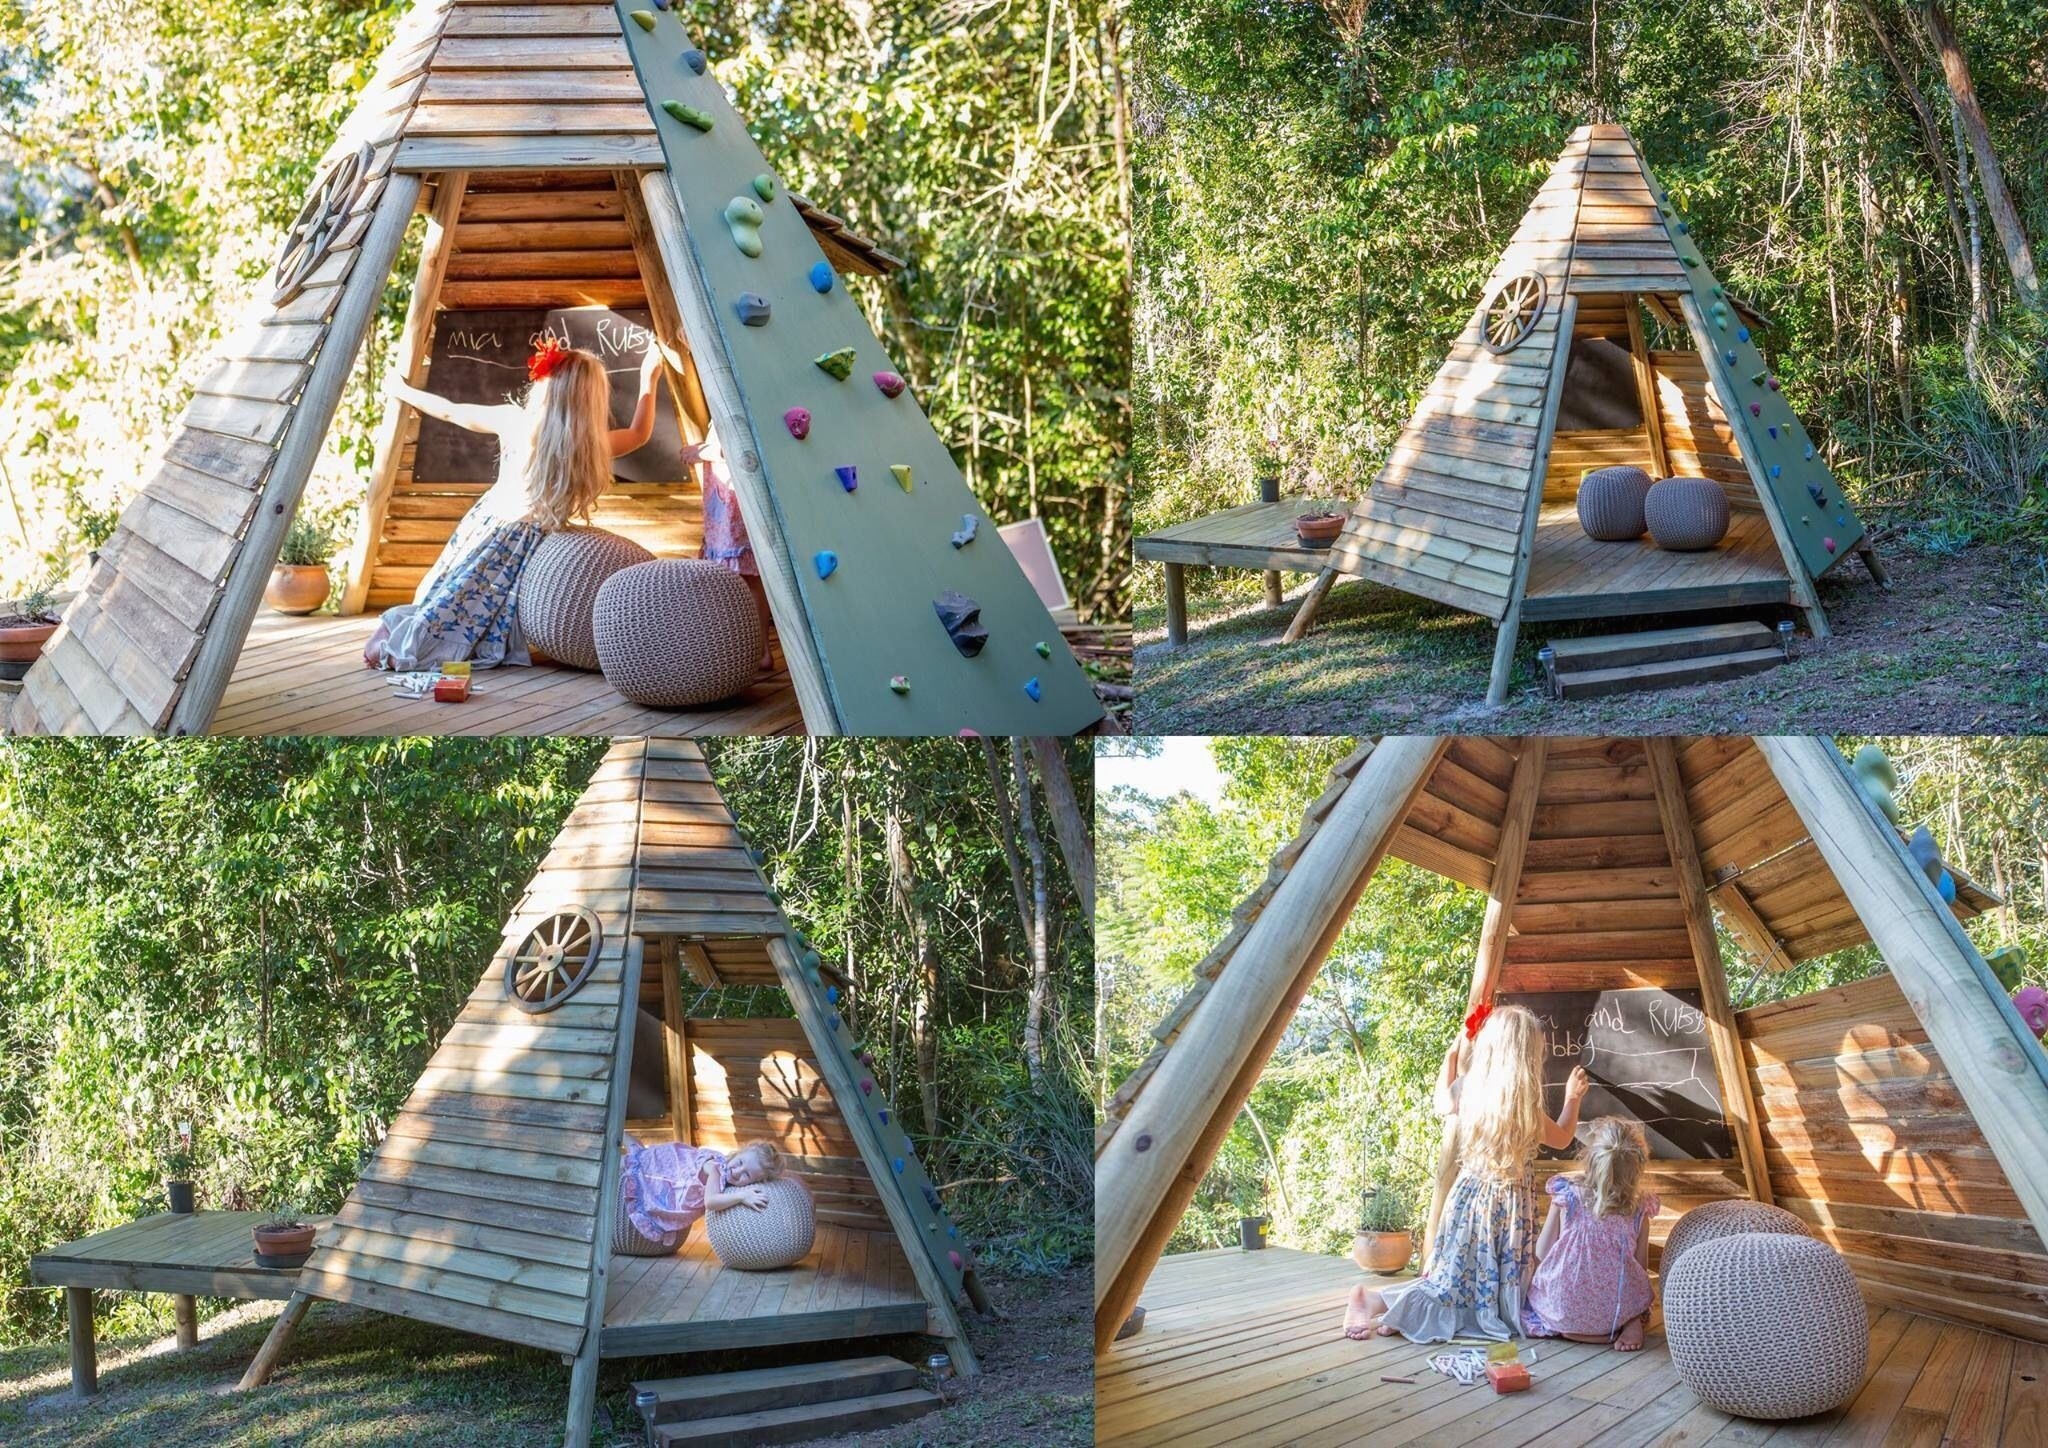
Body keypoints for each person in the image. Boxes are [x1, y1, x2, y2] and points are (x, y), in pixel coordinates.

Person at [363, 336, 693, 671]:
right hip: (524, 540)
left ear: (546, 387)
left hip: (489, 524)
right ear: (592, 400)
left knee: (454, 594)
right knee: (477, 606)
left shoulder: (515, 420)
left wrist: (404, 392)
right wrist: (648, 378)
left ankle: (399, 631)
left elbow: (451, 411)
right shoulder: (591, 445)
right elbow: (639, 433)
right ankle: (401, 635)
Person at [1343, 1003, 1589, 1342]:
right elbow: (1562, 1138)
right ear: (1523, 1058)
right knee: (1462, 1283)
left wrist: (1450, 1060)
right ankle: (1373, 1299)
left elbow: (1441, 1105)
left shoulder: (1468, 1088)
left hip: (1467, 1197)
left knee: (1453, 1278)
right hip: (1504, 1205)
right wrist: (1572, 1098)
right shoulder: (1523, 1106)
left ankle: (1401, 1310)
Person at [1523, 1116, 1657, 1351]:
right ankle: (1629, 1322)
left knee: (1538, 1291)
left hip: (1561, 1313)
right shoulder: (1638, 1209)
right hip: (1612, 1317)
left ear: (1591, 1159)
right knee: (1638, 1292)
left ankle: (1569, 1324)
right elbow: (1640, 1267)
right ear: (1638, 1169)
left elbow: (1542, 1251)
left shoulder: (1568, 1195)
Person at [620, 1138, 785, 1251]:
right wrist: (742, 1196)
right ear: (737, 1154)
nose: (737, 1171)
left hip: (675, 1178)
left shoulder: (725, 1177)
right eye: (740, 1162)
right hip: (668, 1172)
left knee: (638, 1155)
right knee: (635, 1164)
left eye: (747, 1175)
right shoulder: (715, 1168)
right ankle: (616, 1130)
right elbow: (711, 1202)